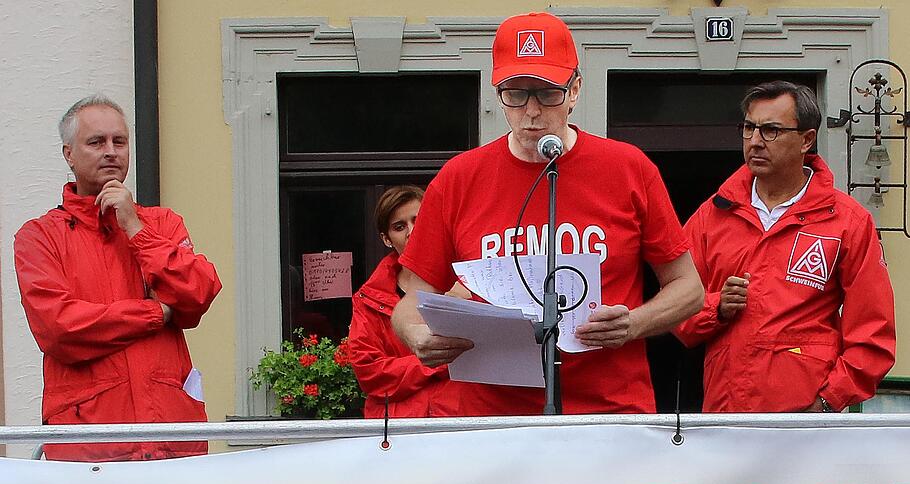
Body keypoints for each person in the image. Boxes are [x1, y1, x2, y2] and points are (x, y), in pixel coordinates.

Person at [391, 12, 704, 415]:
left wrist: (634, 325)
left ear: (574, 90)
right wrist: (417, 336)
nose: (532, 111)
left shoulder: (628, 168)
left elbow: (688, 288)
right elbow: (412, 297)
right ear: (497, 92)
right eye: (515, 94)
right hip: (492, 415)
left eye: (547, 93)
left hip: (607, 412)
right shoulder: (459, 178)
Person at [14, 94, 222, 461]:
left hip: (171, 437)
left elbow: (198, 293)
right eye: (96, 142)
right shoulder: (40, 236)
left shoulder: (160, 223)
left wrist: (135, 227)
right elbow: (60, 330)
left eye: (119, 141)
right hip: (91, 446)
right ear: (69, 155)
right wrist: (158, 314)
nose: (111, 151)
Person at [674, 81, 896, 412]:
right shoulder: (714, 214)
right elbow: (676, 311)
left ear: (807, 139)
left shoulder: (847, 221)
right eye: (748, 128)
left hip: (806, 424)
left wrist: (827, 402)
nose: (755, 142)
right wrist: (717, 307)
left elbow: (873, 335)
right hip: (726, 417)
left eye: (771, 131)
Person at [348, 186, 464, 418]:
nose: (411, 231)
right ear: (386, 239)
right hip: (397, 430)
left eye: (418, 221)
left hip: (459, 422)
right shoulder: (368, 298)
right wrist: (440, 362)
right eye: (399, 227)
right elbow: (369, 372)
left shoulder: (468, 280)